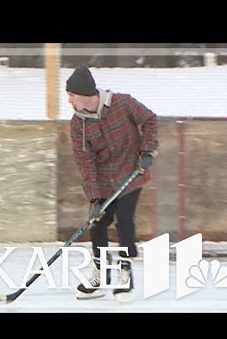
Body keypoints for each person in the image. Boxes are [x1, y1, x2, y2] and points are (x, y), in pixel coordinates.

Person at [65, 64, 158, 300]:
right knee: (97, 222)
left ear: (85, 95)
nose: (69, 100)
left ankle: (125, 271)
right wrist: (95, 198)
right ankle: (100, 272)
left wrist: (147, 151)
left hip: (130, 172)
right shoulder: (78, 125)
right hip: (103, 179)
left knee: (124, 220)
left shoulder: (122, 103)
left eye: (71, 95)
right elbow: (85, 162)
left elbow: (149, 119)